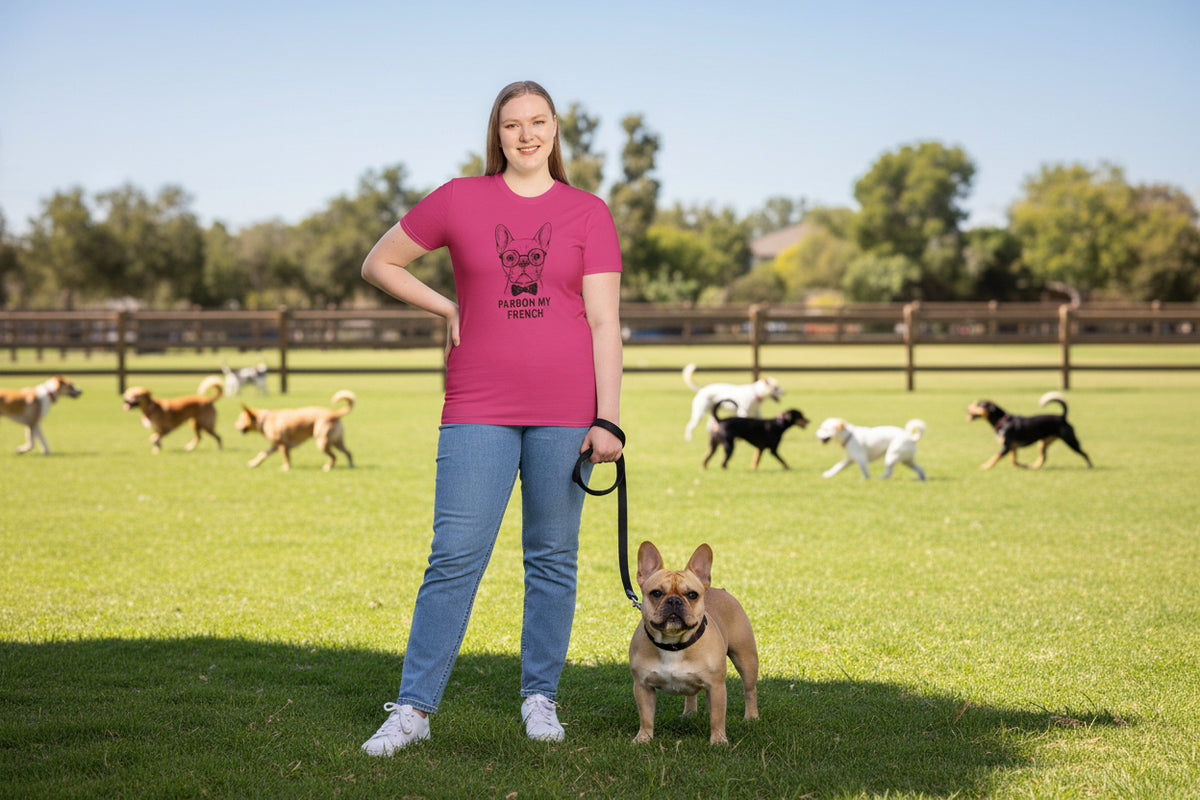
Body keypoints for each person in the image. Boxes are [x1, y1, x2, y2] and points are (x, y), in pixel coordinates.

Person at [359, 80, 624, 755]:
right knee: (453, 556)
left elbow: (604, 321)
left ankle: (540, 699)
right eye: (513, 125)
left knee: (553, 559)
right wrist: (445, 307)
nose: (526, 135)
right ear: (497, 134)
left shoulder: (588, 212)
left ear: (557, 130)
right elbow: (379, 262)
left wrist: (610, 420)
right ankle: (414, 710)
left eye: (539, 122)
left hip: (567, 412)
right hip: (477, 405)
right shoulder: (459, 199)